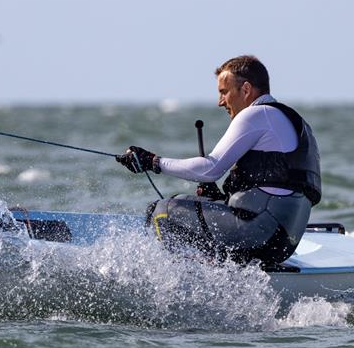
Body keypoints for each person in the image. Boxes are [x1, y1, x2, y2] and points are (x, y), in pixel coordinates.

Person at [117, 55, 321, 266]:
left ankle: (180, 281)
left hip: (260, 232)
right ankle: (211, 269)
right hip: (283, 241)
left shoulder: (256, 114)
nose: (220, 101)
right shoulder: (291, 121)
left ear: (246, 90)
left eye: (224, 92)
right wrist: (224, 198)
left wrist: (153, 161)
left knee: (161, 211)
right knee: (184, 201)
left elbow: (211, 169)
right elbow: (275, 186)